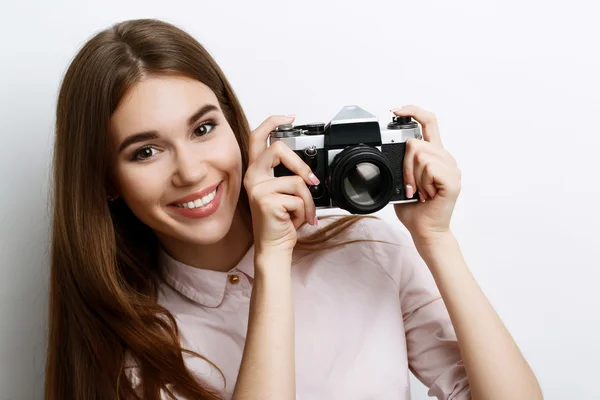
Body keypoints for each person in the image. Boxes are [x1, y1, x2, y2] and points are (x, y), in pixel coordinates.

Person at [45, 18, 543, 400]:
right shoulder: (128, 354)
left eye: (203, 129)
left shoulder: (367, 247)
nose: (192, 172)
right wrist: (272, 259)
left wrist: (437, 241)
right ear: (107, 178)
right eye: (145, 151)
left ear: (233, 124)